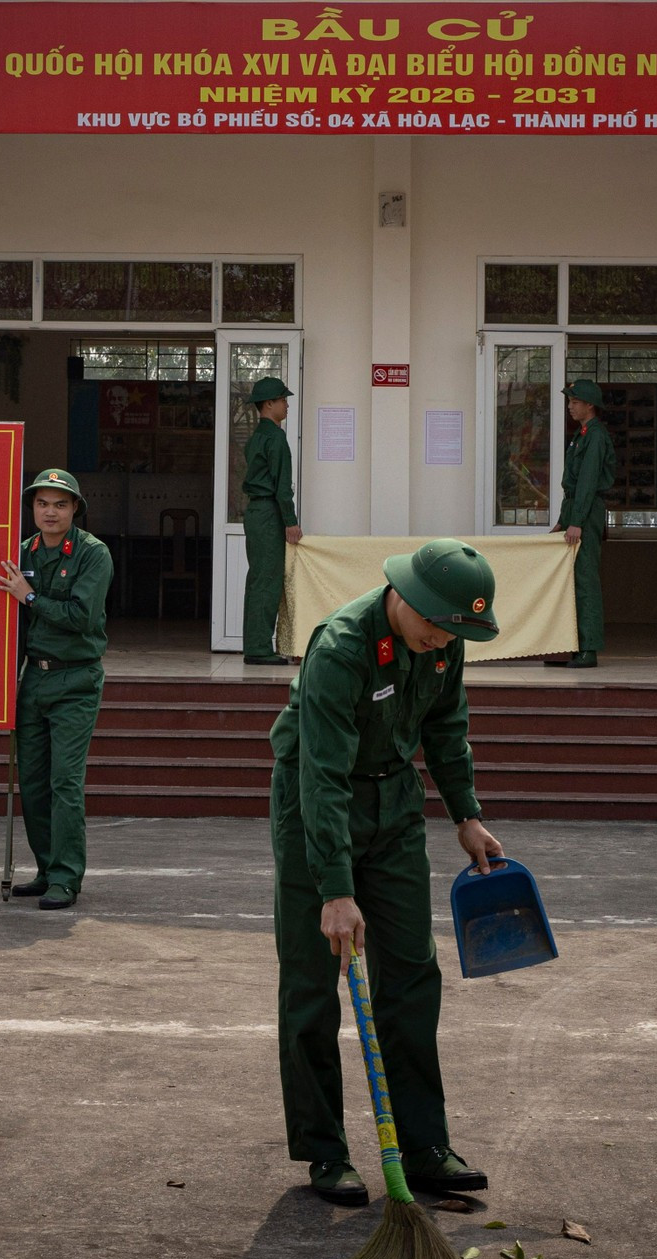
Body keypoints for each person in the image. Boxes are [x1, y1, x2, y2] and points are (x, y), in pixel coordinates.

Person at [270, 537, 503, 1206]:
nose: (442, 641)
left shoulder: (443, 641)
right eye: (436, 625)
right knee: (313, 982)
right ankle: (324, 1150)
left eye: (454, 632)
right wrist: (336, 890)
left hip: (395, 803)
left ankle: (424, 1145)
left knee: (412, 973)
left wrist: (465, 814)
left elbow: (446, 728)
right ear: (405, 597)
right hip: (316, 804)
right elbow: (322, 775)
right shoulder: (342, 648)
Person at [0, 468, 114, 911]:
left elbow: (81, 616)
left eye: (60, 504)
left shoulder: (92, 554)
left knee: (65, 782)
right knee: (33, 783)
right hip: (33, 680)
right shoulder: (21, 552)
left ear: (75, 509)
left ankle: (66, 877)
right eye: (42, 503)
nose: (50, 512)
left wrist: (28, 596)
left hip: (75, 680)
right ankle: (46, 870)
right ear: (32, 507)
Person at [548, 378, 614, 668]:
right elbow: (575, 487)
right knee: (570, 581)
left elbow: (587, 481)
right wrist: (563, 520)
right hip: (576, 508)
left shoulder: (595, 436)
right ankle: (570, 647)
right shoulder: (582, 433)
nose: (570, 406)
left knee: (585, 580)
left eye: (575, 401)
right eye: (569, 401)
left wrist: (577, 522)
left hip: (586, 512)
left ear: (590, 405)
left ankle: (588, 648)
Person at [241, 375, 302, 665]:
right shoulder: (276, 438)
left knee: (257, 579)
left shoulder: (256, 437)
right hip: (268, 514)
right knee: (268, 580)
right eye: (282, 400)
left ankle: (254, 644)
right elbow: (281, 485)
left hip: (256, 513)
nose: (286, 405)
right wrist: (291, 521)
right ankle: (258, 649)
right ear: (268, 404)